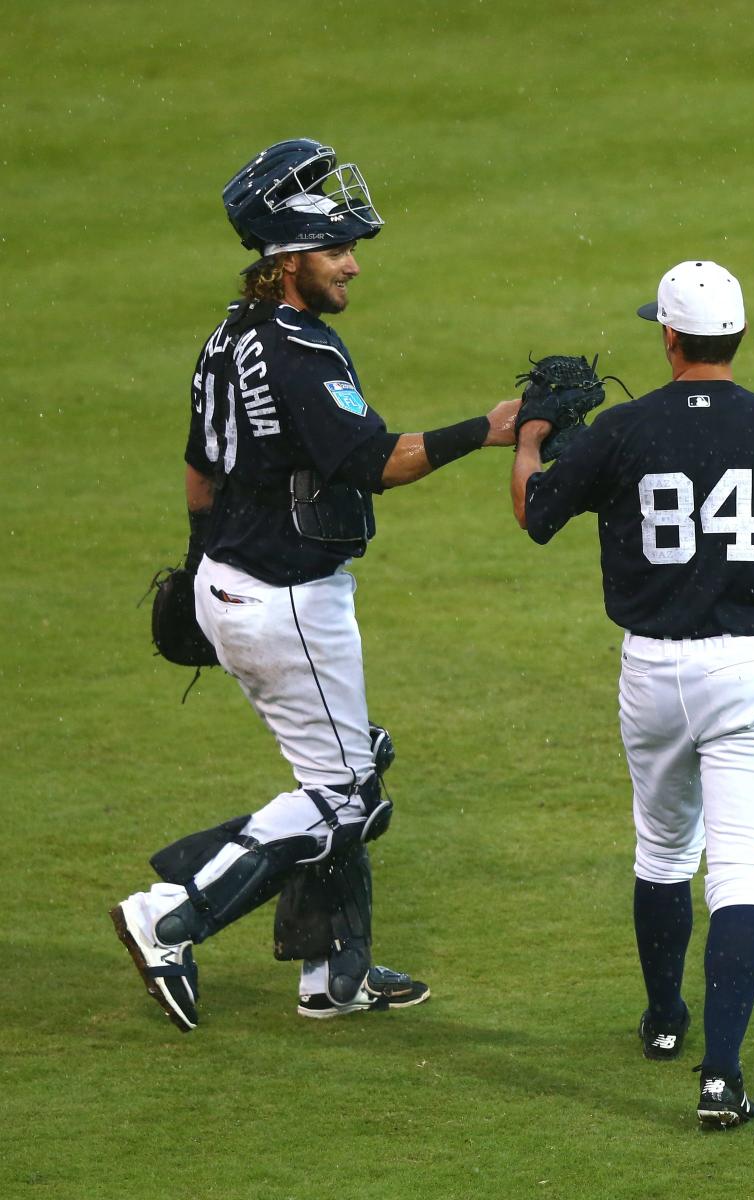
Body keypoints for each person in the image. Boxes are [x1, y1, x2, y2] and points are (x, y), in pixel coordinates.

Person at [110, 138, 519, 1033]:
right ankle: (168, 916)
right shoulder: (302, 353)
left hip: (233, 581)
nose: (353, 265)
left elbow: (198, 468)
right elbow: (378, 463)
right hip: (287, 602)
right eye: (337, 249)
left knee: (347, 767)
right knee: (344, 800)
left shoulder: (230, 334)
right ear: (289, 260)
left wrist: (197, 566)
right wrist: (488, 431)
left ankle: (337, 973)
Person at [510, 260, 754, 1128]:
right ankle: (721, 1079)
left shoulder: (625, 429)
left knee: (664, 849)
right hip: (753, 672)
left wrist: (528, 435)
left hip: (653, 670)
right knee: (741, 872)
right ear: (736, 336)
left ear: (668, 337)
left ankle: (664, 1020)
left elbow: (535, 514)